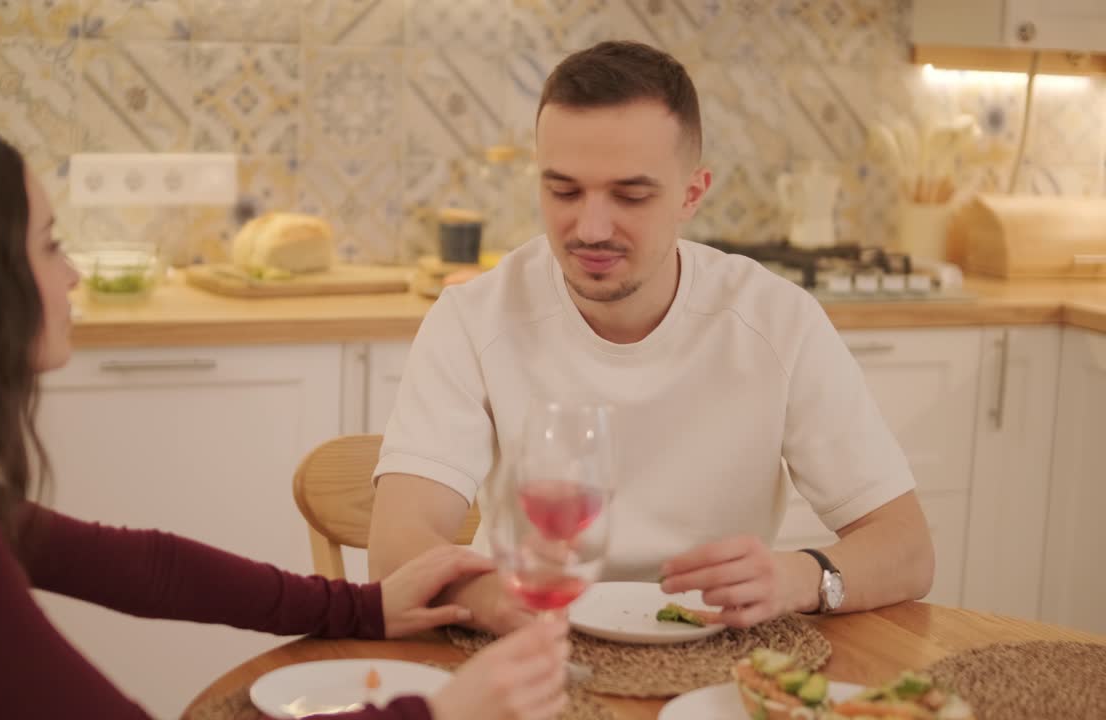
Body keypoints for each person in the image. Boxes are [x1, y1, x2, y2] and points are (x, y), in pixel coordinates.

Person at [0, 131, 569, 720]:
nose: (74, 274)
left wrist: (362, 606)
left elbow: (143, 567)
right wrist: (437, 713)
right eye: (51, 244)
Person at [368, 40, 935, 635]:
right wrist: (496, 599)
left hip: (715, 654)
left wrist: (801, 577)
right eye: (562, 191)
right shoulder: (473, 317)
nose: (589, 228)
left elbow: (908, 547)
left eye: (630, 196)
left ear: (692, 193)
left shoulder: (777, 322)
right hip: (521, 642)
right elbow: (396, 546)